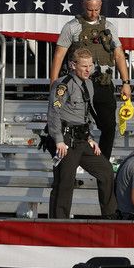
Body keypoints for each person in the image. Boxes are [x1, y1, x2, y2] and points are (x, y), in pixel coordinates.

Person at [50, 0, 132, 160]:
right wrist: (53, 82)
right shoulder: (71, 27)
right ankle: (74, 160)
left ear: (100, 7)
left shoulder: (109, 27)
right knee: (76, 125)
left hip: (103, 82)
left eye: (96, 9)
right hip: (78, 85)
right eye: (89, 10)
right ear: (83, 6)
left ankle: (102, 162)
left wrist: (126, 82)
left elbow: (118, 54)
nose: (93, 13)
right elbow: (59, 55)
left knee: (109, 126)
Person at [47, 47, 118, 219]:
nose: (88, 69)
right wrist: (58, 140)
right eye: (84, 66)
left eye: (91, 65)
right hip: (66, 139)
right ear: (72, 65)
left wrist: (90, 138)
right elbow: (53, 113)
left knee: (106, 170)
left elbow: (86, 114)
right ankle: (58, 223)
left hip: (82, 139)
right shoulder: (62, 85)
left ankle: (110, 216)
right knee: (65, 182)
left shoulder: (88, 84)